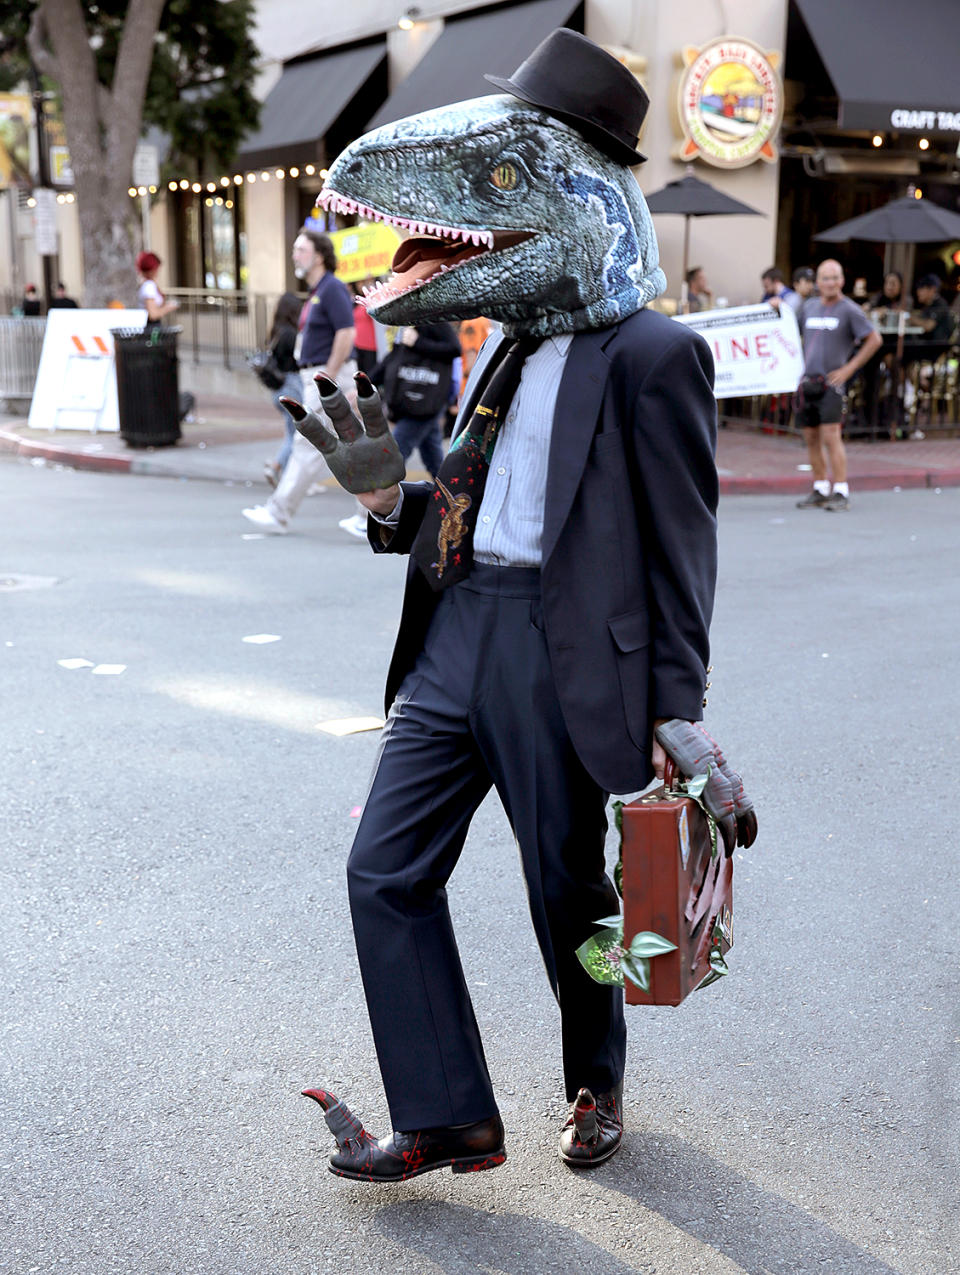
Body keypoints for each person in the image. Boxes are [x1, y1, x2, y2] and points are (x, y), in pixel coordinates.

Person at [295, 28, 754, 1183]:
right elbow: (465, 504)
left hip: (566, 658)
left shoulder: (654, 356)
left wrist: (676, 709)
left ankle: (595, 1083)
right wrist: (384, 498)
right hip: (457, 639)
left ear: (580, 193)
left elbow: (680, 550)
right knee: (384, 870)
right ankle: (447, 1115)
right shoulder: (501, 343)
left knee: (570, 897)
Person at [242, 230, 355, 535]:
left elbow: (347, 333)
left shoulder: (332, 289)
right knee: (353, 446)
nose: (295, 255)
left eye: (301, 249)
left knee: (309, 444)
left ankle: (278, 513)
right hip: (318, 377)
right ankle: (372, 515)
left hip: (326, 377)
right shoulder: (319, 291)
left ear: (318, 255)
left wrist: (328, 376)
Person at [795, 259, 882, 512]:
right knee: (810, 437)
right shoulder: (809, 307)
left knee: (831, 435)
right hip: (807, 381)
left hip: (831, 384)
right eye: (825, 278)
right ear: (817, 282)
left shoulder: (849, 310)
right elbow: (789, 331)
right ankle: (820, 487)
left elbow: (874, 339)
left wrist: (848, 369)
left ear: (842, 281)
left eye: (835, 278)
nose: (830, 283)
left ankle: (841, 489)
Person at [375, 321, 460, 477]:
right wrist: (367, 381)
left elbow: (454, 349)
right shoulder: (406, 321)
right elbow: (394, 357)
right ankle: (450, 493)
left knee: (395, 453)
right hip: (415, 401)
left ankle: (379, 493)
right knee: (433, 457)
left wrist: (418, 342)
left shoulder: (431, 318)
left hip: (425, 400)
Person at [262, 292, 304, 487]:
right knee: (297, 435)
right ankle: (278, 467)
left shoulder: (276, 331)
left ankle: (285, 473)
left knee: (292, 433)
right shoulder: (290, 334)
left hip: (279, 388)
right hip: (292, 386)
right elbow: (299, 360)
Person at [136, 252, 178, 326]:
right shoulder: (148, 286)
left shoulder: (148, 284)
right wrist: (169, 307)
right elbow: (153, 315)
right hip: (151, 327)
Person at [913, 274, 954, 341]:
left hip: (935, 345)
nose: (918, 292)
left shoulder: (939, 304)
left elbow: (928, 326)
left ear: (932, 289)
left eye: (922, 288)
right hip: (925, 342)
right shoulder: (928, 305)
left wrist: (908, 317)